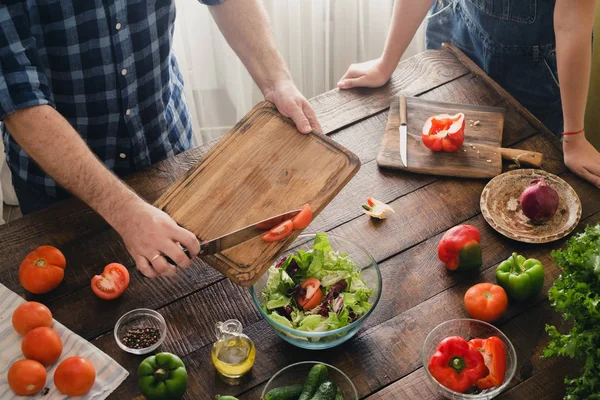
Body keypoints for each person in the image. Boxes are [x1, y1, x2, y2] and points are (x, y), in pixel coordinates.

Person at [0, 0, 321, 278]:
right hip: (62, 188)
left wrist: (277, 81)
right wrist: (125, 212)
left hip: (166, 148)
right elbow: (20, 100)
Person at [338, 0, 600, 188]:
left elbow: (571, 24)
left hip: (532, 70)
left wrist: (574, 138)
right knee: (443, 178)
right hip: (458, 31)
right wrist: (386, 63)